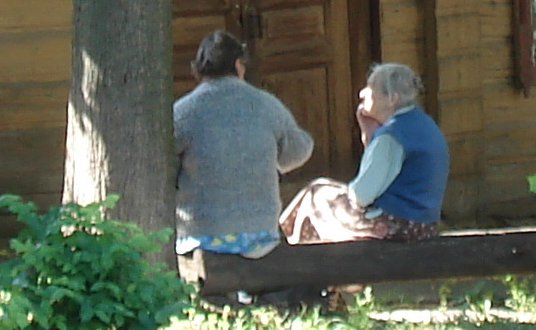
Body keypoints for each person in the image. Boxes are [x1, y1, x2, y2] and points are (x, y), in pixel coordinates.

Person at [171, 30, 314, 257]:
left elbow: (165, 169)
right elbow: (297, 152)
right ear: (239, 66)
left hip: (200, 238)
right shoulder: (267, 105)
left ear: (195, 70)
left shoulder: (183, 113)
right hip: (259, 238)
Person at [280, 62, 446, 244]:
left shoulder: (391, 136)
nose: (362, 94)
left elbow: (361, 195)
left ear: (392, 99)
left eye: (371, 88)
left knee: (316, 195)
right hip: (424, 225)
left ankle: (300, 259)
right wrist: (369, 138)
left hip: (397, 226)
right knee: (324, 192)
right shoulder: (423, 123)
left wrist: (344, 194)